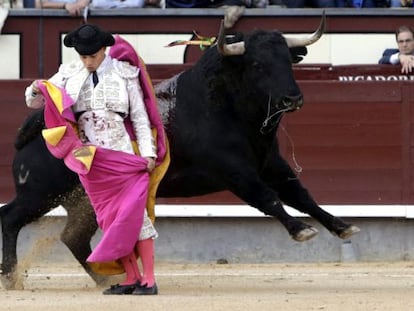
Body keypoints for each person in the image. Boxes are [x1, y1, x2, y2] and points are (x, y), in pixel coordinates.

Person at [25, 24, 169, 295]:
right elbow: (36, 102)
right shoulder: (68, 73)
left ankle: (149, 280)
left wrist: (148, 153)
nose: (88, 61)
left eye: (92, 55)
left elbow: (140, 117)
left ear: (104, 49)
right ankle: (131, 278)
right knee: (111, 220)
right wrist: (35, 88)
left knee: (135, 218)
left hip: (123, 155)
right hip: (90, 159)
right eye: (83, 57)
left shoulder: (125, 73)